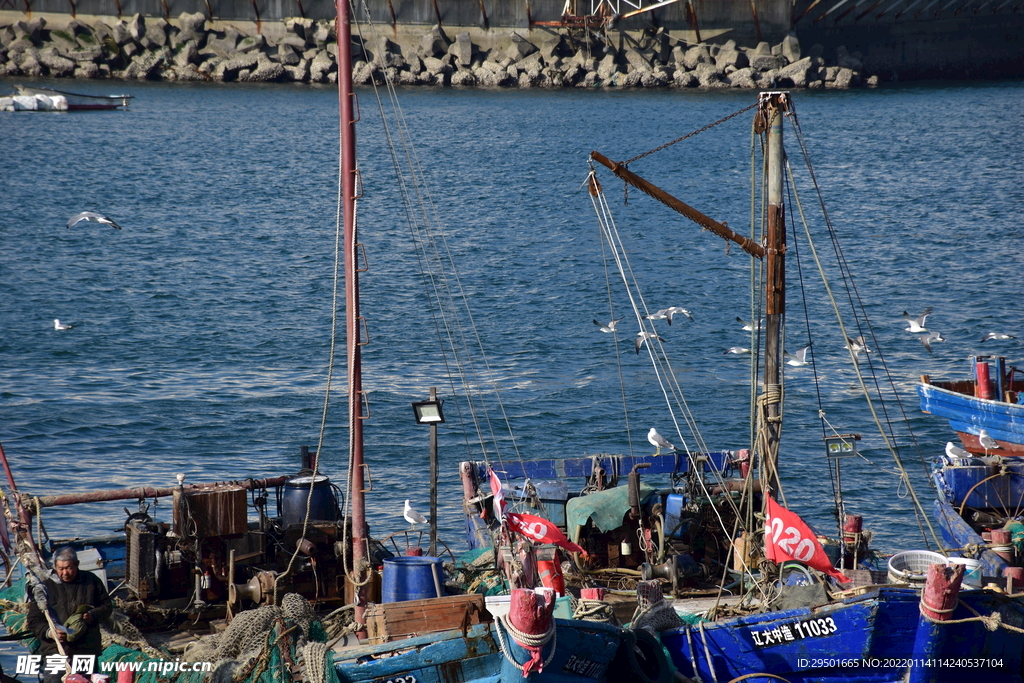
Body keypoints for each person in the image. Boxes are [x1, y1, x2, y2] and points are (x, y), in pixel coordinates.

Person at [27, 547, 112, 682]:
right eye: (60, 569)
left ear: (77, 564)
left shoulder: (91, 581)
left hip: (86, 649)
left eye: (69, 568)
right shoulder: (45, 586)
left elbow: (107, 607)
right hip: (55, 650)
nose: (65, 573)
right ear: (54, 566)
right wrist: (50, 632)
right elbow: (33, 620)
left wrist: (93, 615)